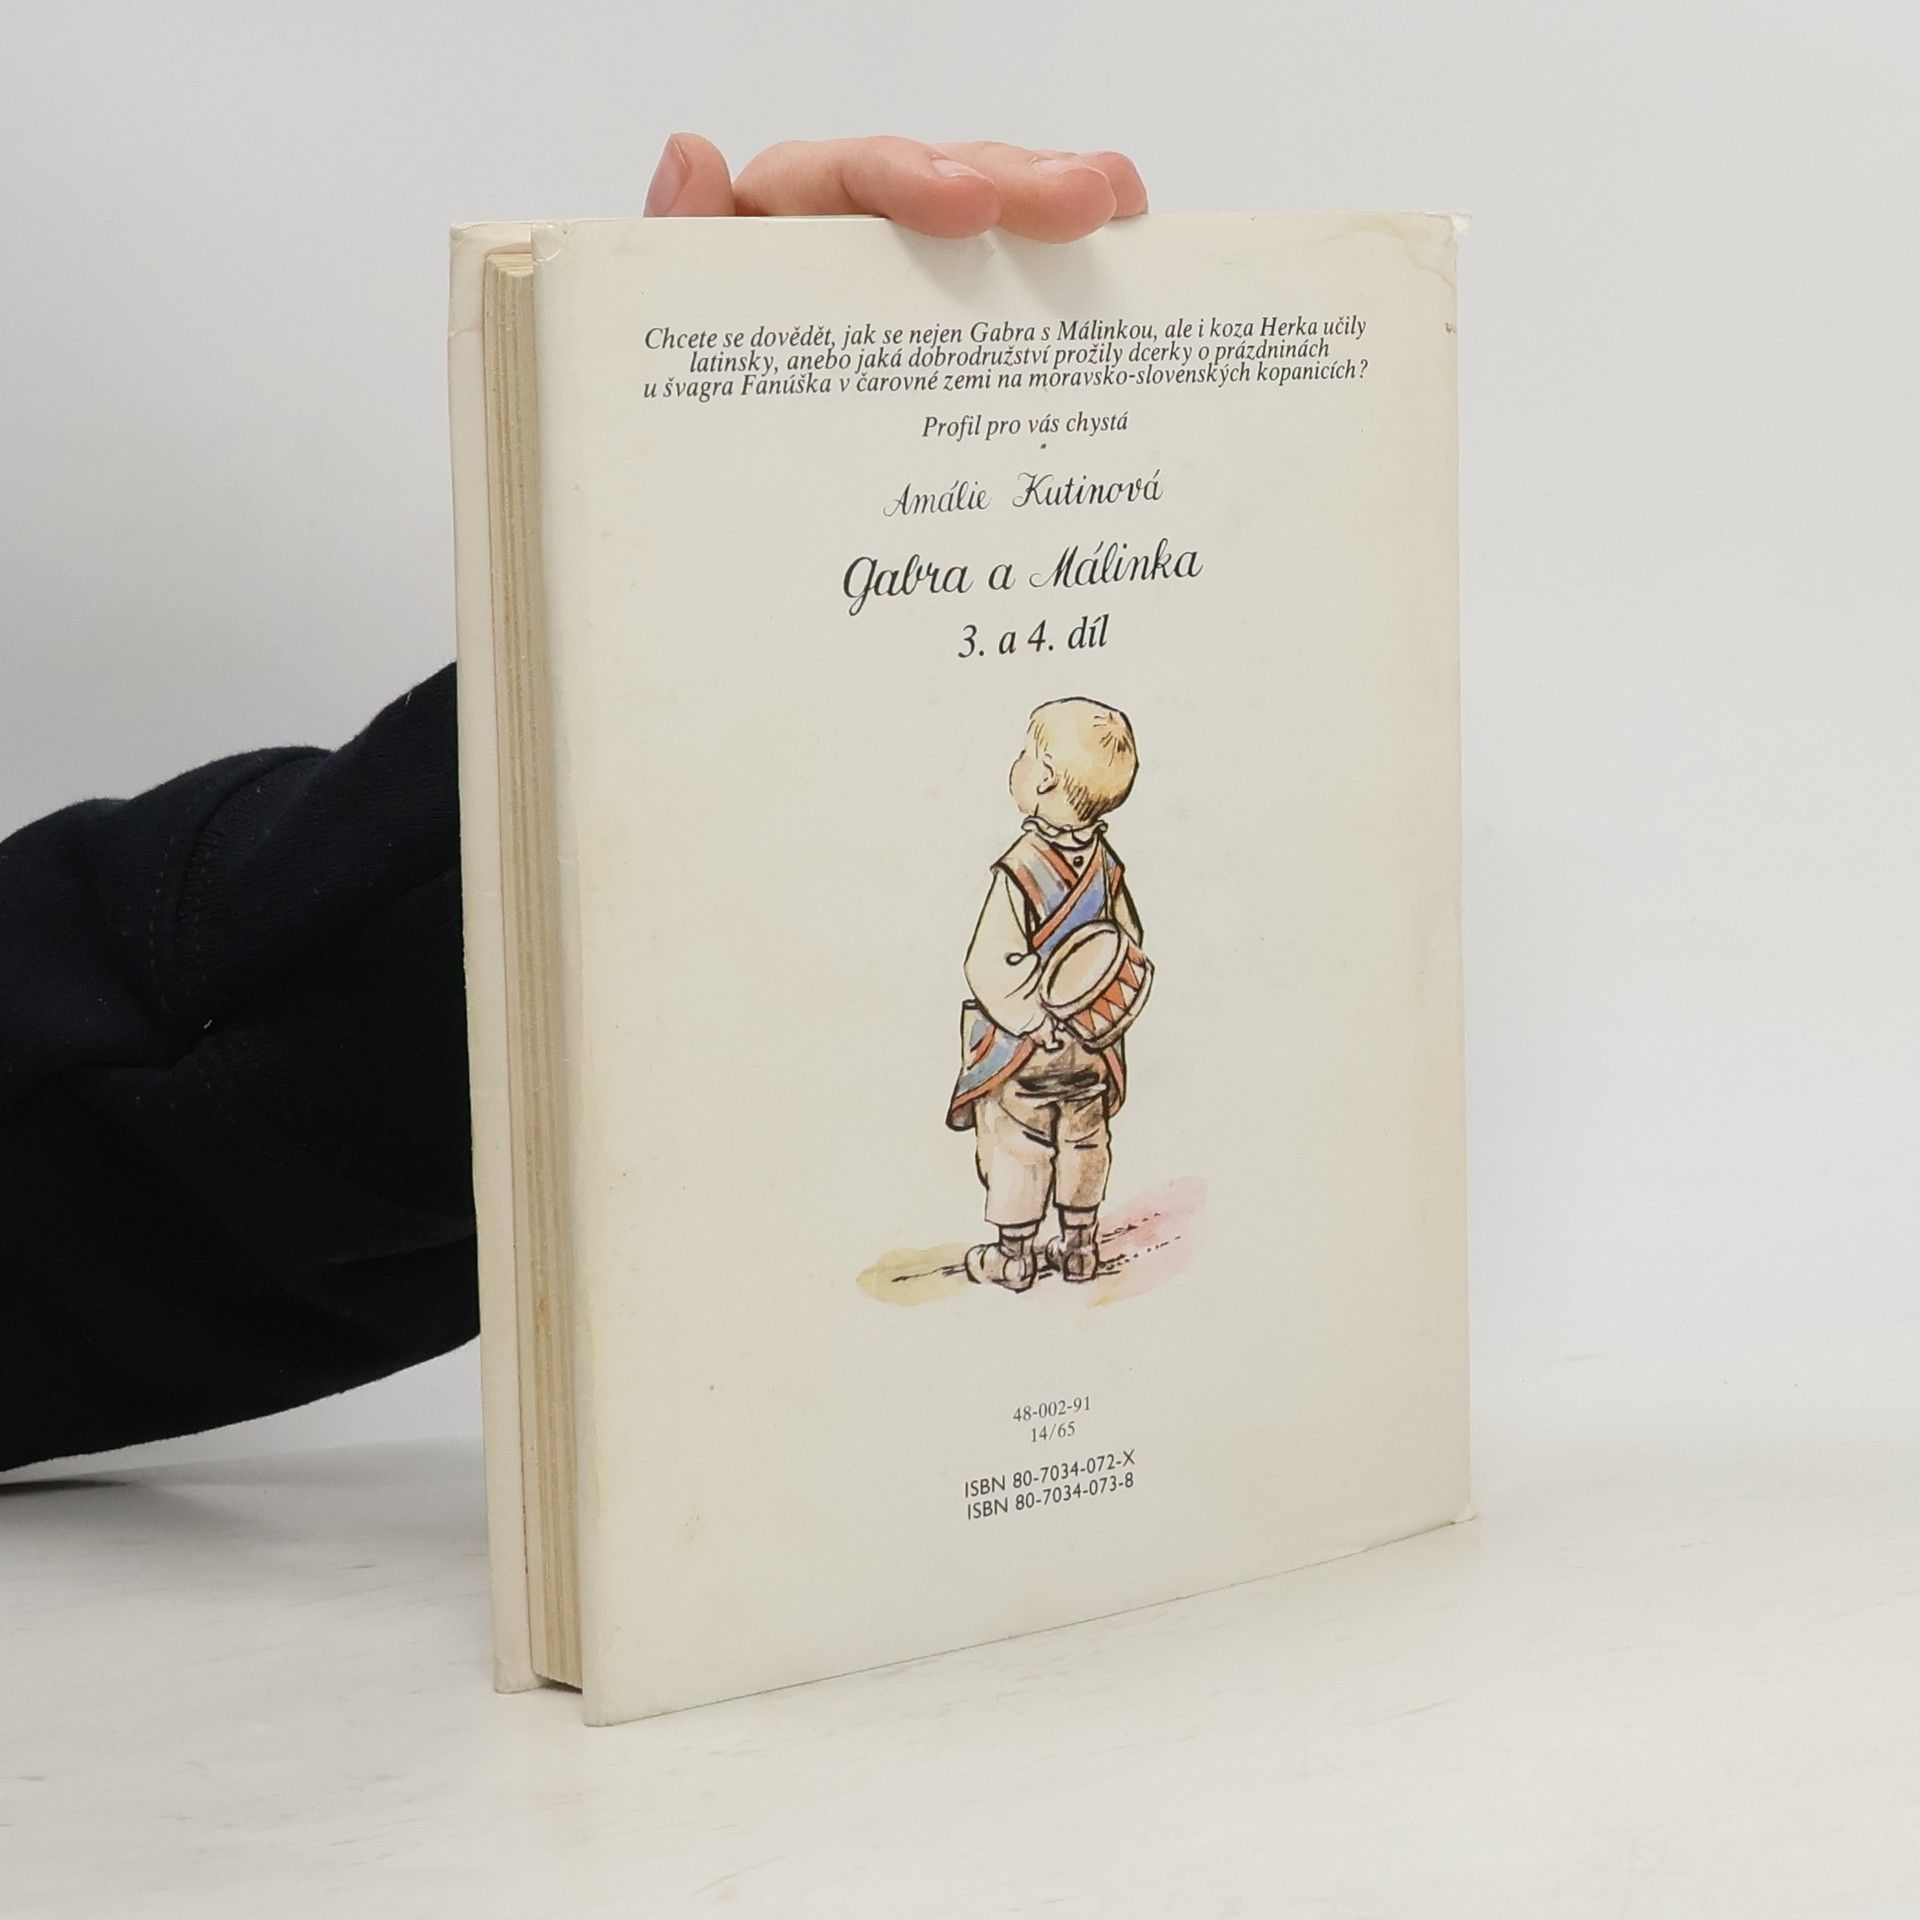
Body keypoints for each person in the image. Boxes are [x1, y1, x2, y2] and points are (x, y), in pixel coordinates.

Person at [0, 136, 1149, 1472]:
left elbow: (101, 1203)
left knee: (1055, 1158)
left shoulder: (1043, 868)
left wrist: (535, 889)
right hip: (1029, 1039)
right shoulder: (1038, 874)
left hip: (1018, 1035)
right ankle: (1039, 1242)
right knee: (1037, 1159)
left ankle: (1051, 1236)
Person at [946, 699, 1146, 1291]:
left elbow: (989, 963)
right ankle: (1080, 1246)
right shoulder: (1107, 866)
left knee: (1018, 1140)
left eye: (1027, 753)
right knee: (1084, 1136)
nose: (1020, 762)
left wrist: (1035, 1017)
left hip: (1030, 1047)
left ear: (1044, 779)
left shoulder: (1020, 870)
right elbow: (1128, 941)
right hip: (1092, 1044)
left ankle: (1014, 1255)